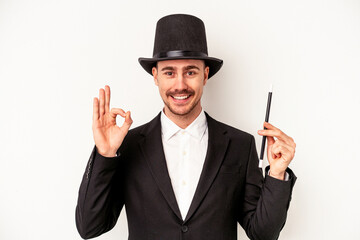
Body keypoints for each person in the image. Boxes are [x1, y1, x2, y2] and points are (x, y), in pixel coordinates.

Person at [75, 14, 297, 240]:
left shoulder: (240, 144)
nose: (180, 85)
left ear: (205, 75)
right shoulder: (127, 145)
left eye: (190, 72)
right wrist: (105, 154)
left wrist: (277, 175)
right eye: (169, 73)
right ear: (155, 77)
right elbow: (90, 227)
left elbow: (263, 234)